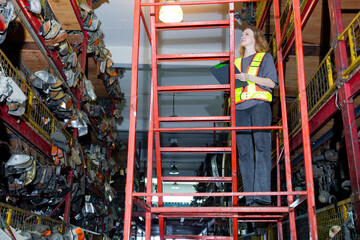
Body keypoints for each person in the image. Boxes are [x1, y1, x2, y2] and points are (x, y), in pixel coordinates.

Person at [234, 26, 278, 206]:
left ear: (256, 38)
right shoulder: (235, 62)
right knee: (244, 154)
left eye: (247, 33)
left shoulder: (265, 57)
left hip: (259, 106)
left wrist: (249, 77)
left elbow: (271, 83)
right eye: (242, 34)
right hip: (239, 110)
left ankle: (262, 196)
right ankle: (251, 198)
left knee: (261, 148)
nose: (242, 36)